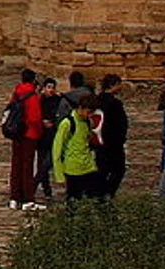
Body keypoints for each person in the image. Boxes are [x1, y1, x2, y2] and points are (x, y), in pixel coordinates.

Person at [51, 93, 105, 206]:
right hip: (73, 169)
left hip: (88, 166)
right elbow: (57, 148)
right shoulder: (67, 123)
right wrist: (59, 174)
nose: (89, 115)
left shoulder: (88, 122)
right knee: (74, 202)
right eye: (88, 112)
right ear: (80, 108)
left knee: (97, 199)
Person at [7, 69, 46, 210]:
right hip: (29, 134)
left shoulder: (17, 92)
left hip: (17, 133)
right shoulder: (31, 95)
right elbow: (35, 118)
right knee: (27, 166)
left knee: (16, 164)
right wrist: (40, 130)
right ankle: (27, 198)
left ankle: (14, 197)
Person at [95, 74, 129, 197]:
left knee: (102, 170)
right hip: (114, 143)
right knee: (118, 170)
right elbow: (121, 124)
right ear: (112, 85)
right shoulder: (115, 104)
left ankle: (101, 194)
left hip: (99, 142)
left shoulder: (97, 100)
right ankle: (107, 193)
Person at [32, 77, 61, 200]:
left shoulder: (58, 101)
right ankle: (46, 189)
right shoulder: (39, 101)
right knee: (42, 163)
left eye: (53, 87)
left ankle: (34, 186)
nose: (51, 90)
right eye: (49, 87)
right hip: (42, 136)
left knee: (46, 164)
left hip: (53, 135)